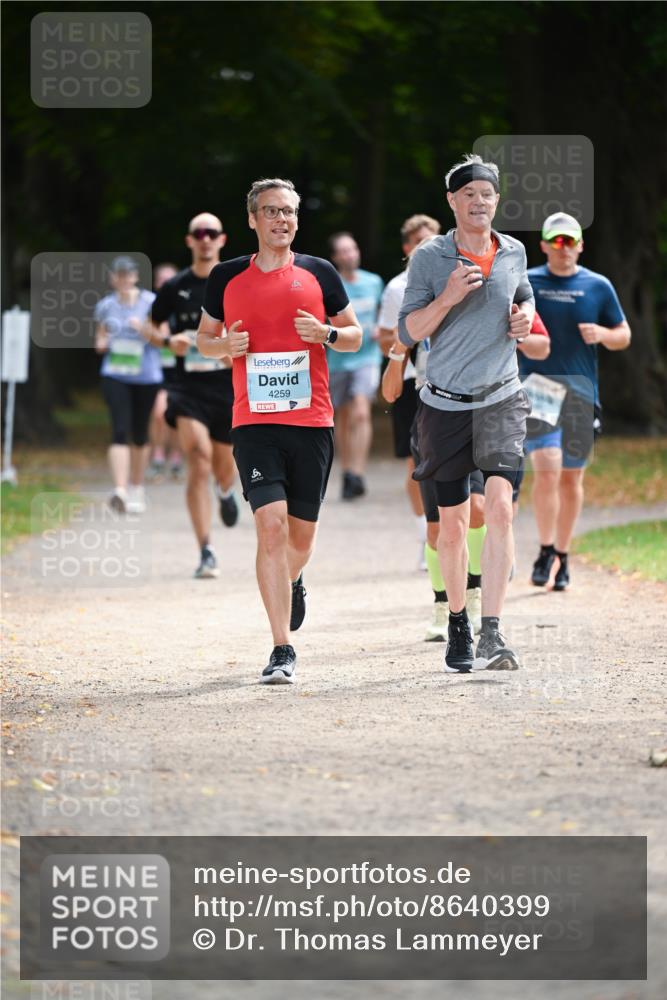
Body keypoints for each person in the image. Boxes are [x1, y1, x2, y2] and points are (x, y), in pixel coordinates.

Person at [196, 177, 362, 684]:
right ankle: (281, 648)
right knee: (269, 527)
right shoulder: (226, 276)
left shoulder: (319, 272)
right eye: (271, 211)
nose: (281, 220)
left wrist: (327, 333)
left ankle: (293, 577)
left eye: (288, 212)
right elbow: (202, 340)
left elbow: (354, 336)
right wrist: (227, 347)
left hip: (311, 421)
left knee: (300, 537)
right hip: (254, 422)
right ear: (252, 220)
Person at [398, 153, 535, 674]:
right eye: (470, 194)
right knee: (451, 528)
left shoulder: (514, 251)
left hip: (502, 396)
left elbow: (524, 296)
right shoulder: (430, 258)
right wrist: (449, 297)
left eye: (488, 193)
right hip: (444, 404)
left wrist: (525, 318)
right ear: (452, 201)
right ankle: (458, 618)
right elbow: (409, 330)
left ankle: (494, 630)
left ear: (497, 200)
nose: (480, 202)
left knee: (500, 509)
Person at [385, 302, 550, 642]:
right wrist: (399, 352)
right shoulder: (419, 316)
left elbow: (540, 343)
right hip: (433, 424)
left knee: (480, 509)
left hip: (485, 416)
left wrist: (515, 331)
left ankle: (474, 595)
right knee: (440, 529)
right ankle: (442, 604)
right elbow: (389, 392)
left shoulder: (492, 299)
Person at [521, 212, 631, 590]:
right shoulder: (528, 282)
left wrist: (602, 333)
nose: (563, 248)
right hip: (539, 388)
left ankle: (563, 556)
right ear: (544, 245)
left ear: (581, 245)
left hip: (582, 392)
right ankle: (545, 548)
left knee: (571, 478)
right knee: (548, 468)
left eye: (570, 241)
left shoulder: (598, 286)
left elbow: (623, 335)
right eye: (556, 241)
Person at [145, 214, 240, 579]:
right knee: (197, 458)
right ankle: (206, 549)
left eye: (211, 233)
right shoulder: (175, 287)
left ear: (222, 239)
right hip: (186, 388)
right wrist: (170, 341)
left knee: (222, 463)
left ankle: (226, 490)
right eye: (198, 234)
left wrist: (234, 349)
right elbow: (149, 328)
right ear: (189, 241)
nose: (205, 239)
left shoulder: (233, 282)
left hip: (226, 386)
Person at [377, 214, 441, 566]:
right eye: (418, 240)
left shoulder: (453, 279)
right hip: (411, 383)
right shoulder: (396, 288)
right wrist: (412, 334)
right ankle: (424, 535)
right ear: (406, 248)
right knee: (416, 462)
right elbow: (385, 337)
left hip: (450, 381)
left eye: (432, 238)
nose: (425, 245)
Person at [94, 256, 163, 514]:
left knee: (140, 432)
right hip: (115, 374)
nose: (123, 279)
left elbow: (162, 339)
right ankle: (120, 490)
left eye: (127, 275)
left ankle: (136, 486)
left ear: (135, 276)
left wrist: (145, 330)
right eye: (118, 275)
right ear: (113, 278)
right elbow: (99, 339)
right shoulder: (105, 306)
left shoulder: (151, 303)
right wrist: (102, 343)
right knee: (120, 429)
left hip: (146, 375)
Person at [327, 232, 384, 499]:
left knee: (361, 411)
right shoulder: (331, 284)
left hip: (367, 357)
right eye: (344, 251)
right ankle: (347, 471)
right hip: (338, 359)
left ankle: (358, 473)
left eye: (353, 249)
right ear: (336, 257)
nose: (350, 255)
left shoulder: (374, 282)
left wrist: (380, 330)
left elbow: (385, 314)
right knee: (343, 416)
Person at [147, 262, 183, 481]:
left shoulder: (184, 303)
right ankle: (158, 455)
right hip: (157, 369)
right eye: (162, 279)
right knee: (159, 414)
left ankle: (177, 458)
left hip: (180, 371)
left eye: (170, 279)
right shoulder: (149, 307)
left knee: (178, 416)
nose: (166, 284)